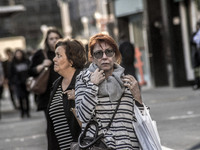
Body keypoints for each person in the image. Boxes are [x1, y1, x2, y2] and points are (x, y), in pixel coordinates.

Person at [75, 33, 144, 149]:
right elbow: (82, 116)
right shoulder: (84, 80)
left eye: (109, 52)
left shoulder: (127, 81)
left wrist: (138, 97)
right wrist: (93, 85)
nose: (104, 57)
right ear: (92, 58)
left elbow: (140, 120)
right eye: (98, 53)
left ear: (116, 55)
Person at [46, 38, 87, 150]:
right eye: (55, 55)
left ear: (71, 61)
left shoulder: (84, 82)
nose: (54, 59)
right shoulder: (56, 85)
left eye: (59, 56)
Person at [28, 27, 62, 115]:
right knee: (51, 125)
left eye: (56, 38)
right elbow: (30, 71)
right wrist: (42, 66)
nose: (54, 40)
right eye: (51, 38)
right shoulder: (40, 54)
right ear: (46, 40)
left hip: (63, 92)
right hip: (47, 95)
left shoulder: (66, 52)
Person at [10, 49, 30, 118]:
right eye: (17, 54)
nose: (18, 55)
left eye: (20, 53)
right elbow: (11, 74)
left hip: (26, 82)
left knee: (27, 98)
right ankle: (22, 112)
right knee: (20, 98)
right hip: (18, 83)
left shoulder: (26, 61)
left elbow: (30, 71)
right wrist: (12, 83)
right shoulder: (13, 63)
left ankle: (27, 111)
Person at [191, 21, 200, 90]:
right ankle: (197, 83)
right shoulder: (195, 34)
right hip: (196, 56)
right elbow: (191, 42)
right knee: (197, 71)